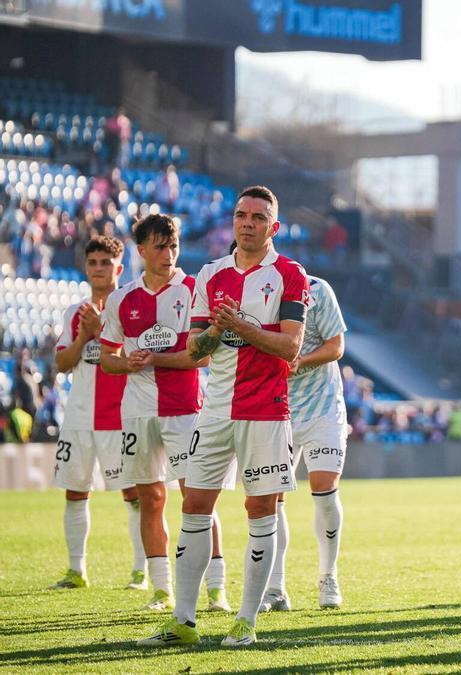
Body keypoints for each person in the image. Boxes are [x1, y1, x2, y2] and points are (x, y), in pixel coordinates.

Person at [137, 185, 309, 647]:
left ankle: (246, 621)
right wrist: (216, 328)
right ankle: (183, 621)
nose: (248, 222)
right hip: (213, 412)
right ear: (232, 222)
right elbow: (195, 350)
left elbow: (291, 346)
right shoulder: (210, 276)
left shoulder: (290, 275)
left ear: (273, 227)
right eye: (241, 215)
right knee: (194, 505)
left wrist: (243, 327)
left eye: (257, 216)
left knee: (260, 509)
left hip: (267, 413)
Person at [99, 214, 231, 613]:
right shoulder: (122, 299)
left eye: (173, 246)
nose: (168, 254)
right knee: (150, 498)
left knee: (197, 499)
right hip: (137, 413)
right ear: (141, 250)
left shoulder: (194, 290)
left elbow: (203, 358)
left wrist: (156, 357)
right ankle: (161, 589)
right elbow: (107, 359)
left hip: (185, 412)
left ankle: (216, 589)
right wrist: (129, 364)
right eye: (159, 246)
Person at [49, 236, 142, 590]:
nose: (99, 269)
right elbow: (61, 364)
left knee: (133, 494)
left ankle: (139, 569)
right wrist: (84, 334)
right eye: (93, 263)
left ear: (119, 268)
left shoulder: (132, 307)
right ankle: (76, 570)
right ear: (86, 267)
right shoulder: (74, 312)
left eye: (107, 263)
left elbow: (133, 358)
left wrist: (101, 329)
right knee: (74, 491)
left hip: (120, 416)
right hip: (79, 416)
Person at [263, 274, 348, 612]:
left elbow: (336, 346)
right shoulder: (250, 291)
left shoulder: (316, 289)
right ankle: (275, 587)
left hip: (323, 407)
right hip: (274, 408)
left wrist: (300, 361)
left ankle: (329, 576)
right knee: (272, 500)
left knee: (324, 490)